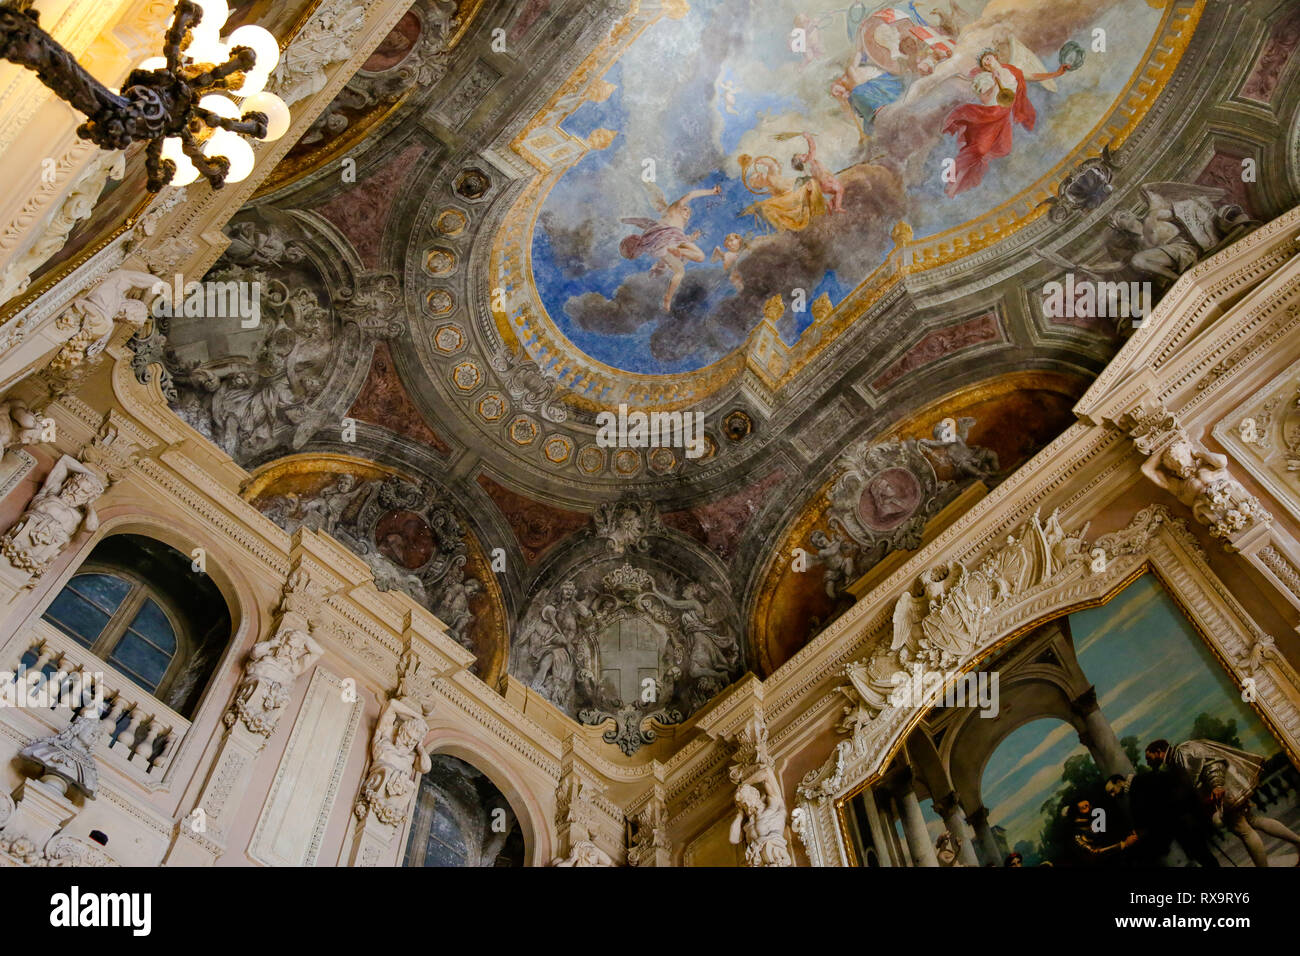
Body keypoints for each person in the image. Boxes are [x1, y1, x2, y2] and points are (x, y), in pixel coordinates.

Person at [1151, 738, 1300, 867]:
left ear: (1158, 751)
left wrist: (1217, 784)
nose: (1148, 761)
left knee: (1243, 830)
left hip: (1222, 793)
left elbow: (1212, 762)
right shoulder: (1176, 758)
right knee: (1252, 821)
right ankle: (1298, 842)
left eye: (1149, 756)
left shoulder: (1183, 751)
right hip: (1223, 793)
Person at [942, 49, 1066, 197]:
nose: (987, 62)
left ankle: (958, 180)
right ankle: (953, 178)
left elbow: (1033, 76)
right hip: (988, 115)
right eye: (984, 62)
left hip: (1003, 115)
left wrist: (1056, 74)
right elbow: (985, 100)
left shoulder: (1013, 71)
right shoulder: (985, 77)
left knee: (1003, 149)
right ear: (985, 67)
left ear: (995, 57)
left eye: (988, 58)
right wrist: (995, 82)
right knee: (979, 150)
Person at [619, 185, 721, 310]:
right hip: (665, 234)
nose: (688, 212)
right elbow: (690, 195)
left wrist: (691, 239)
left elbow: (650, 225)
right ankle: (667, 267)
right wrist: (711, 191)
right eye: (686, 209)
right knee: (694, 257)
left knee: (685, 267)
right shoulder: (674, 208)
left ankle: (668, 297)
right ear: (680, 206)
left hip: (664, 245)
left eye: (689, 213)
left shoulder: (680, 230)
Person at [790, 132, 845, 213]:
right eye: (801, 156)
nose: (803, 154)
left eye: (801, 154)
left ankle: (830, 203)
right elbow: (812, 148)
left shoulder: (806, 167)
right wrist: (809, 138)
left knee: (838, 191)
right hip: (825, 181)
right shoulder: (809, 161)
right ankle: (837, 207)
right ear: (801, 162)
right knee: (839, 190)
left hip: (823, 183)